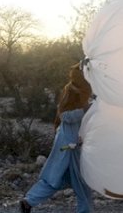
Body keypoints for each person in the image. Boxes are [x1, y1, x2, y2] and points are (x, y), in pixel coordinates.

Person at [19, 63, 94, 213]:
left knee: (57, 179)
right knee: (80, 182)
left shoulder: (83, 90)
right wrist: (85, 110)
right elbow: (64, 115)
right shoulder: (72, 91)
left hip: (72, 141)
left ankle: (28, 202)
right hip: (69, 144)